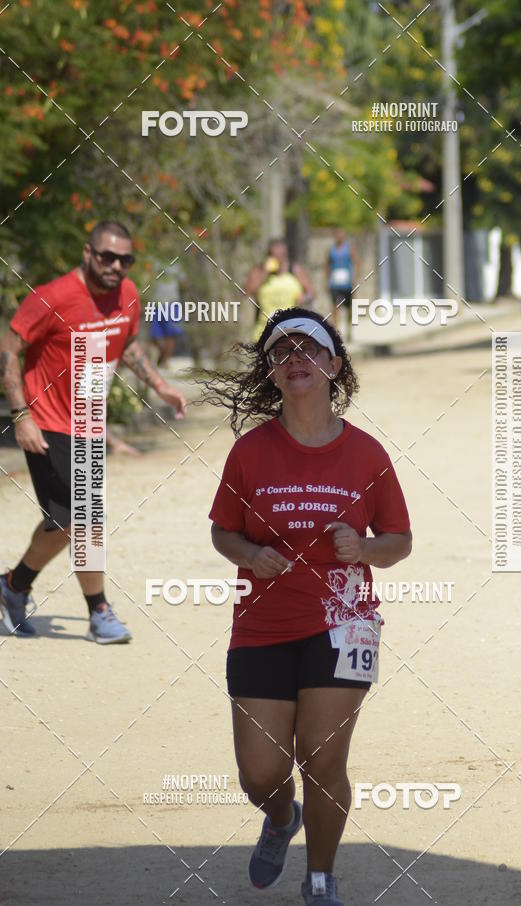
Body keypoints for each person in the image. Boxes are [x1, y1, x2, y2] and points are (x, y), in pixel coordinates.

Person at [202, 307, 412, 905]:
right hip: (262, 624)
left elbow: (400, 541)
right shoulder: (249, 452)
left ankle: (321, 877)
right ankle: (277, 817)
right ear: (271, 371)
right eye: (282, 353)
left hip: (343, 623)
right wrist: (249, 552)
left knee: (322, 759)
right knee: (262, 773)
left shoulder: (367, 455)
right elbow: (222, 532)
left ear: (333, 365)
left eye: (309, 350)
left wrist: (365, 547)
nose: (296, 361)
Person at [0, 220, 187, 641]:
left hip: (87, 424)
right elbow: (9, 350)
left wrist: (160, 386)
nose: (115, 265)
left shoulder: (128, 296)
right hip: (46, 422)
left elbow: (128, 344)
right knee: (85, 521)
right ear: (88, 253)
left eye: (125, 259)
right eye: (107, 256)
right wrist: (20, 415)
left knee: (62, 522)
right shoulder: (52, 297)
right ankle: (99, 611)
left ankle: (14, 586)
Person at [244, 238, 315, 342]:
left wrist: (305, 298)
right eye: (273, 255)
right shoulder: (259, 271)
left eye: (280, 255)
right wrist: (264, 273)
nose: (277, 258)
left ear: (285, 254)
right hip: (264, 330)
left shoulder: (295, 270)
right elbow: (247, 293)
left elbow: (312, 293)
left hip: (291, 329)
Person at [326, 229, 359, 339]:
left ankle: (349, 330)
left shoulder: (349, 249)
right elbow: (327, 265)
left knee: (349, 308)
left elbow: (357, 262)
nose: (340, 236)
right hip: (335, 283)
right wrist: (326, 280)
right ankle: (336, 332)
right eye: (338, 234)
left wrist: (354, 278)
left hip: (347, 284)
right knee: (335, 307)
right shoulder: (331, 250)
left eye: (342, 234)